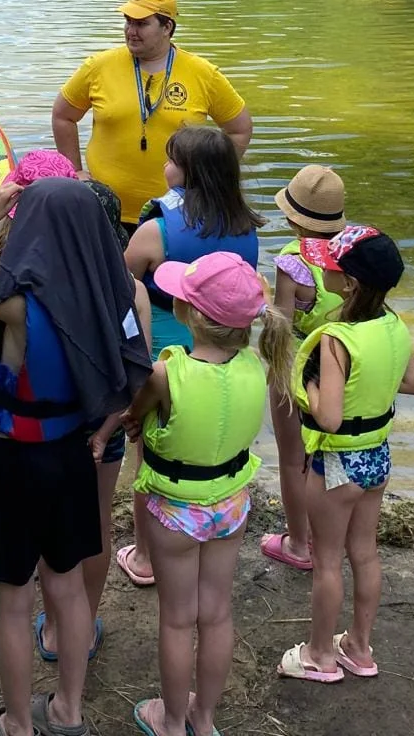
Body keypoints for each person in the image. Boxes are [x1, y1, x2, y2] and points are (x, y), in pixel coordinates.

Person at [0, 178, 149, 736]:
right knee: (67, 585)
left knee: (14, 601)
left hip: (16, 465)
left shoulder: (15, 304)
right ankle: (68, 713)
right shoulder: (118, 295)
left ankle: (16, 723)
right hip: (72, 460)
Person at [125, 252, 295, 736]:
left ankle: (173, 722)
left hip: (175, 510)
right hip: (231, 506)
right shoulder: (255, 366)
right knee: (217, 614)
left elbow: (135, 416)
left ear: (192, 315)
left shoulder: (167, 372)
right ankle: (205, 718)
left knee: (178, 621)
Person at [116, 125, 262, 587]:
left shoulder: (155, 229)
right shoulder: (247, 228)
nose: (165, 167)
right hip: (224, 350)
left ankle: (144, 555)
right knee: (211, 445)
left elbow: (120, 285)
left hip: (165, 349)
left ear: (189, 173)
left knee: (151, 460)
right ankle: (210, 527)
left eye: (171, 160)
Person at [278, 226, 414, 683]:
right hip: (377, 456)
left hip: (337, 463)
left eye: (333, 268)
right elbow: (411, 382)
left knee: (327, 561)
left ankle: (319, 654)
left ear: (351, 284)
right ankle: (359, 647)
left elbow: (330, 418)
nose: (326, 271)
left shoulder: (336, 339)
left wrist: (314, 386)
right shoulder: (394, 324)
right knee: (365, 552)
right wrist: (370, 381)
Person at [36, 177, 154, 664]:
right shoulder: (132, 289)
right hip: (106, 429)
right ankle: (84, 623)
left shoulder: (46, 287)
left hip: (57, 428)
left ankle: (55, 629)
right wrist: (114, 428)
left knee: (51, 527)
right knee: (99, 525)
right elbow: (139, 369)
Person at [52, 0, 253, 226]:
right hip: (104, 211)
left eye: (141, 23)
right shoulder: (98, 67)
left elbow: (239, 129)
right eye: (128, 21)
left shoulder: (203, 74)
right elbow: (63, 116)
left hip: (177, 214)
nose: (131, 31)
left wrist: (209, 177)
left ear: (167, 27)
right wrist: (74, 171)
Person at [261, 164, 347, 572]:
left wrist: (262, 306)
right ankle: (331, 533)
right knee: (329, 451)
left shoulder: (291, 260)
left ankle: (298, 542)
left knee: (292, 454)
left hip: (298, 363)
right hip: (342, 360)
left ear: (293, 217)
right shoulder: (351, 252)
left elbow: (282, 320)